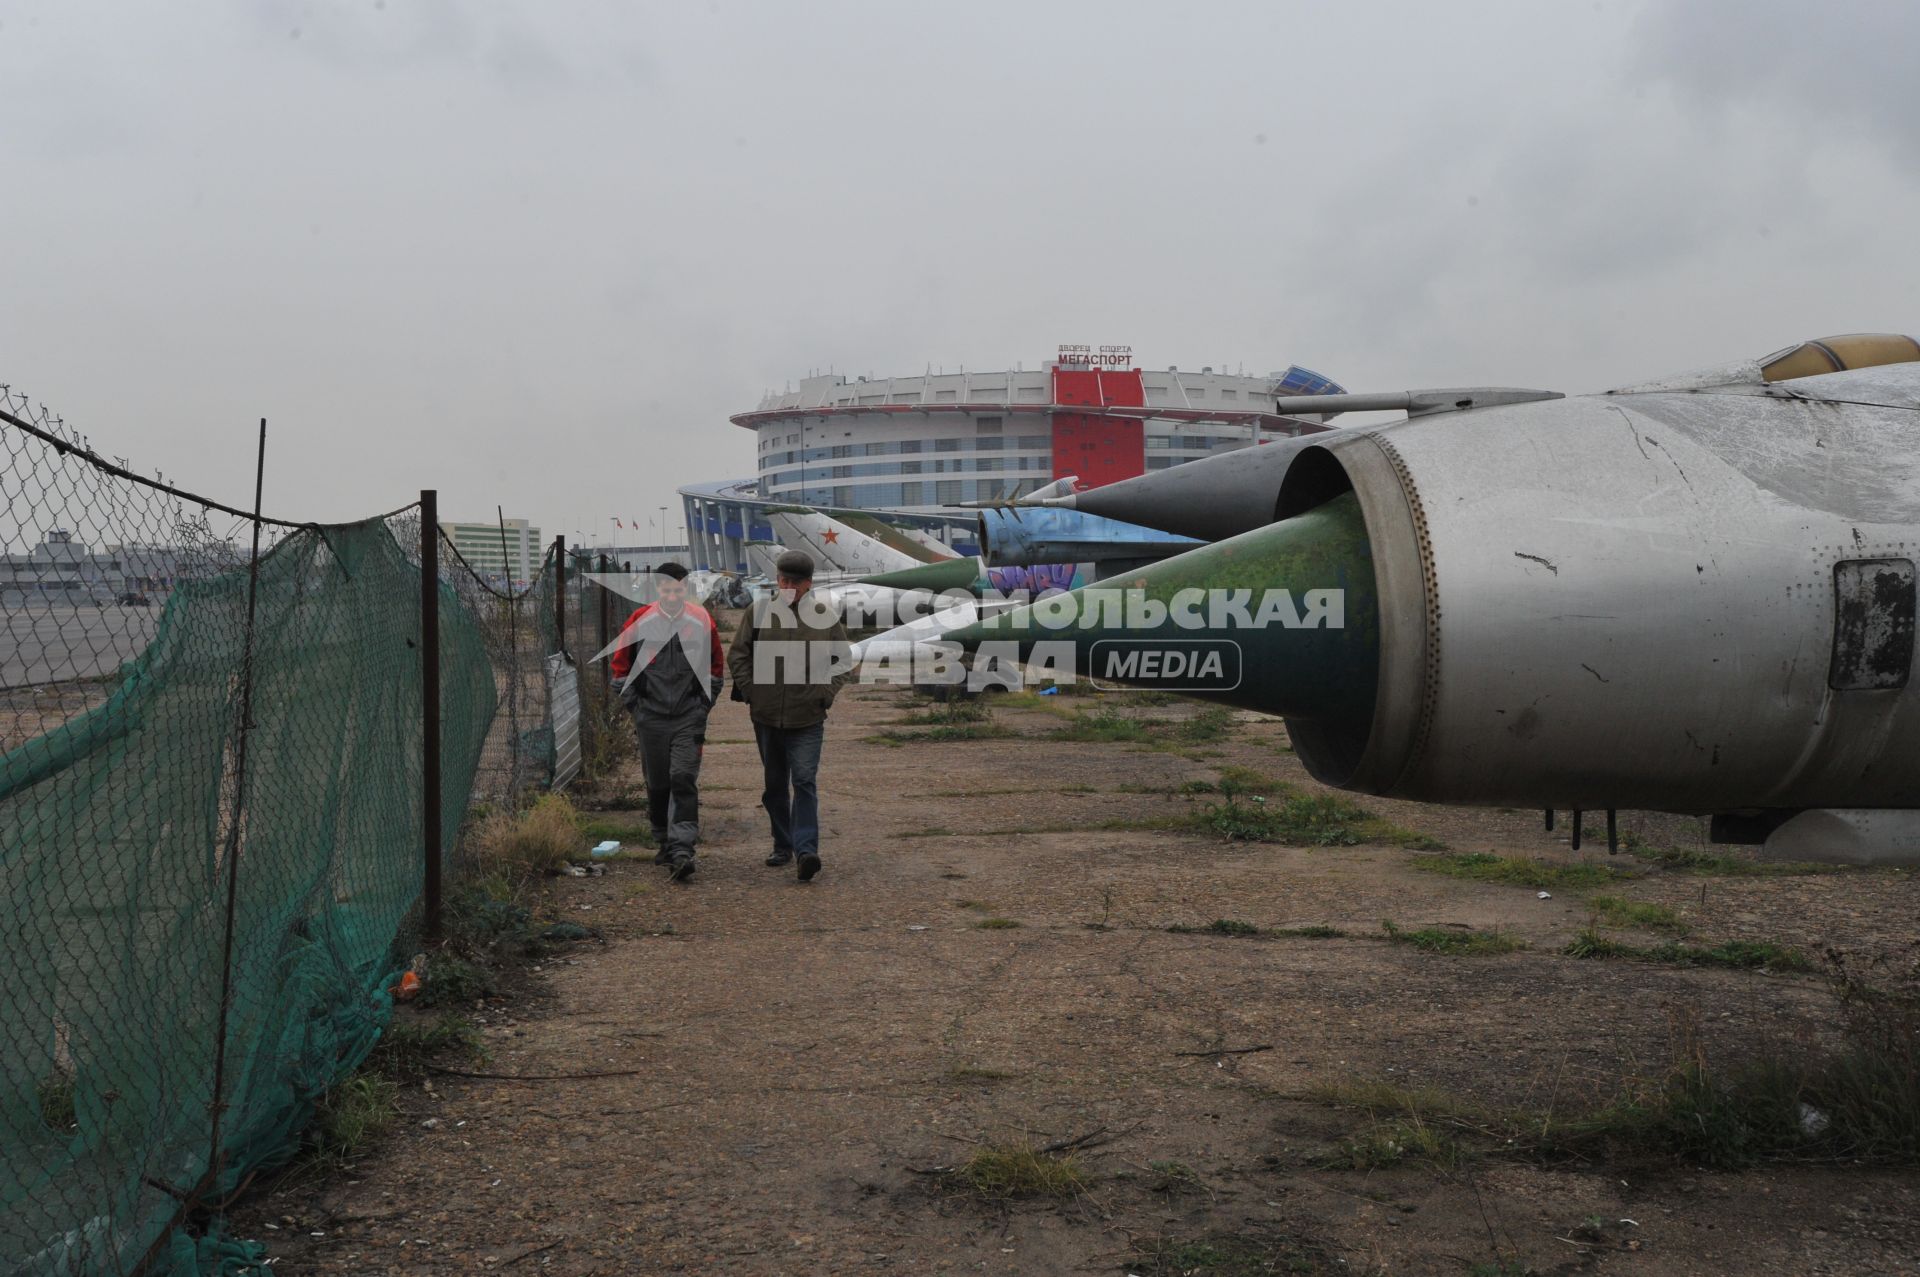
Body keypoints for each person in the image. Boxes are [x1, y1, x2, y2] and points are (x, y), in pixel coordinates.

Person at [727, 550, 854, 882]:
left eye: (796, 582)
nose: (788, 587)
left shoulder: (824, 617)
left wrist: (825, 694)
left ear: (808, 584)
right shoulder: (758, 612)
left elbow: (843, 659)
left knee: (804, 781)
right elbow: (738, 654)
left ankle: (806, 850)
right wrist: (752, 691)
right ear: (777, 579)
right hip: (766, 715)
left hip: (808, 716)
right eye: (783, 580)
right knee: (774, 785)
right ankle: (782, 844)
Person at [608, 562, 724, 882]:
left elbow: (716, 669)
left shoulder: (700, 622)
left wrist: (702, 706)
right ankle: (662, 837)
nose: (672, 594)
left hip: (689, 716)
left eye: (678, 588)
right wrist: (637, 707)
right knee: (658, 783)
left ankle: (682, 849)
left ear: (685, 589)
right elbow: (620, 669)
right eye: (666, 588)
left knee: (683, 777)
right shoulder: (639, 622)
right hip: (652, 718)